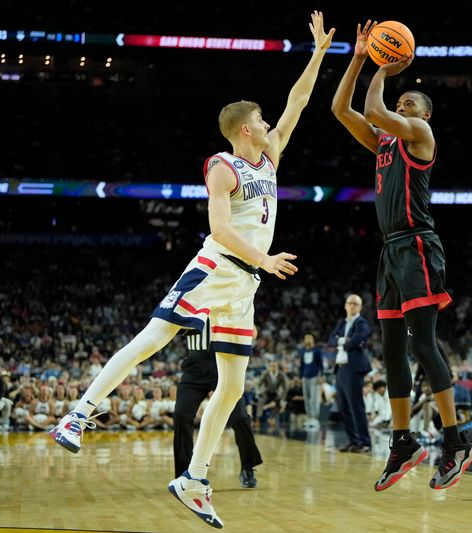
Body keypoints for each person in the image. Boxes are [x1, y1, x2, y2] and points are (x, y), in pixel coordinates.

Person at [48, 11, 334, 528]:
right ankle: (79, 412)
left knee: (232, 388)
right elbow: (221, 229)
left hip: (243, 287)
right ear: (246, 130)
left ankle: (194, 478)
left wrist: (317, 54)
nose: (272, 126)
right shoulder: (223, 166)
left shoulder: (269, 160)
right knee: (153, 337)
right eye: (263, 122)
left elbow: (298, 103)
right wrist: (266, 258)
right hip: (217, 266)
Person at [331, 20, 472, 492]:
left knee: (422, 345)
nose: (401, 103)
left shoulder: (418, 136)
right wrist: (357, 58)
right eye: (401, 100)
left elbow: (373, 105)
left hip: (417, 243)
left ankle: (455, 441)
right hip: (390, 251)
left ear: (424, 117)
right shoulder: (383, 142)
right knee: (392, 349)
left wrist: (383, 67)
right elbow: (341, 109)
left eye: (409, 102)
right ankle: (403, 441)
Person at [173, 320, 263, 489]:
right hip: (195, 363)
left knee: (240, 418)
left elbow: (253, 332)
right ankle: (184, 473)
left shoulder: (232, 299)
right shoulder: (193, 298)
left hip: (223, 360)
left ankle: (248, 467)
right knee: (181, 414)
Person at [328, 293, 372, 453]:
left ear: (359, 307)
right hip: (340, 368)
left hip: (354, 368)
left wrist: (343, 341)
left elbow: (358, 339)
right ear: (345, 305)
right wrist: (343, 341)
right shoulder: (342, 322)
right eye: (350, 303)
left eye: (355, 303)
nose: (352, 306)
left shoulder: (362, 322)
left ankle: (365, 442)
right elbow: (331, 339)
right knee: (343, 407)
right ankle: (353, 441)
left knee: (356, 406)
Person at [297, 332, 324, 429]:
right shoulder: (303, 351)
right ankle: (309, 417)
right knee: (307, 399)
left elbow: (320, 364)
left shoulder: (317, 350)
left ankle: (315, 418)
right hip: (305, 377)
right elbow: (302, 365)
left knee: (314, 399)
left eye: (309, 338)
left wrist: (321, 376)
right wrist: (300, 377)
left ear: (312, 339)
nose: (307, 340)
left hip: (314, 377)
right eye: (306, 338)